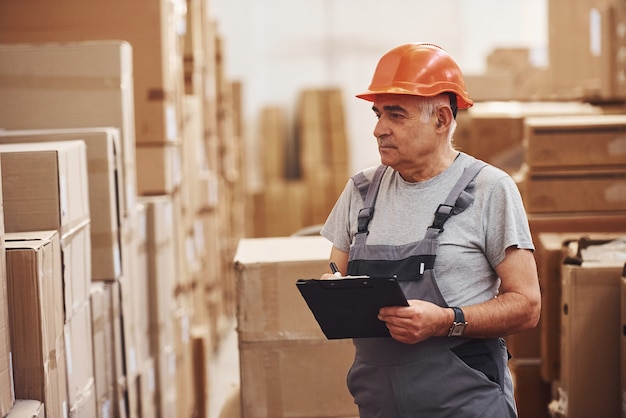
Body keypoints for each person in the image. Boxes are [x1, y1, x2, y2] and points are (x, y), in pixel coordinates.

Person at [319, 42, 541, 418]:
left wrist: (445, 321)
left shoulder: (489, 190)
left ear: (441, 119)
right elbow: (338, 272)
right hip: (378, 405)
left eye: (396, 115)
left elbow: (527, 306)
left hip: (466, 405)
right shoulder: (360, 191)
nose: (378, 130)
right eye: (377, 114)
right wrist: (331, 287)